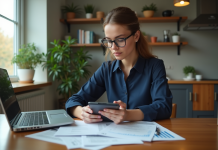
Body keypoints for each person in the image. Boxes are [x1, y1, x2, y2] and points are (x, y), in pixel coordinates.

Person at [65, 7, 172, 124]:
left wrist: (127, 115)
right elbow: (73, 101)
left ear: (136, 36)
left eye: (120, 39)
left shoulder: (154, 66)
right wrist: (81, 112)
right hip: (114, 136)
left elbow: (164, 107)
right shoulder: (106, 69)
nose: (113, 47)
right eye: (109, 41)